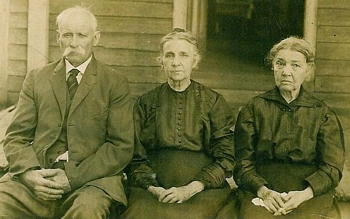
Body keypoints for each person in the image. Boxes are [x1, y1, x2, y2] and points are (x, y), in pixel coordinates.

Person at [0, 6, 134, 219]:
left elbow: (121, 146)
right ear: (58, 38)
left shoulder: (114, 83)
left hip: (90, 182)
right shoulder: (37, 78)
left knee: (87, 212)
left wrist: (72, 178)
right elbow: (15, 137)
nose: (74, 42)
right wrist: (29, 174)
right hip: (39, 178)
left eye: (82, 35)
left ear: (95, 38)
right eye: (67, 35)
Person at [121, 28, 236, 219]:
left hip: (201, 188)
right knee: (140, 213)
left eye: (183, 55)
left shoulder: (213, 102)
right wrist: (154, 188)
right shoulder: (145, 103)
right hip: (152, 187)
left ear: (195, 60)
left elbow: (226, 158)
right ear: (161, 61)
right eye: (170, 55)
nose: (176, 62)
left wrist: (190, 189)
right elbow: (135, 156)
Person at [234, 36, 345, 219]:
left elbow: (332, 167)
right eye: (280, 64)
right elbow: (242, 163)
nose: (286, 71)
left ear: (308, 71)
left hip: (309, 191)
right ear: (273, 67)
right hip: (261, 188)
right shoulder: (254, 108)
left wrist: (304, 194)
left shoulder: (322, 113)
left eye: (295, 65)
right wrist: (263, 192)